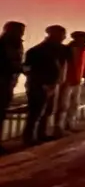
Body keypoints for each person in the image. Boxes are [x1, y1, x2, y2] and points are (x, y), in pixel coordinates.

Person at [23, 25, 68, 145]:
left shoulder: (61, 49)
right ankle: (30, 137)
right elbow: (27, 68)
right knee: (36, 112)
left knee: (47, 110)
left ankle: (40, 134)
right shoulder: (37, 51)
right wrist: (40, 82)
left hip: (53, 84)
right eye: (62, 34)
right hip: (39, 85)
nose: (64, 37)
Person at [54, 30, 85, 135]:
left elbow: (84, 65)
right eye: (84, 39)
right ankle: (59, 127)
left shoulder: (84, 49)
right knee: (63, 105)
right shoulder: (67, 50)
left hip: (77, 81)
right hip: (67, 81)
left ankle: (70, 124)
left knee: (74, 104)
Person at [0, 21, 25, 154]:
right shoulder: (6, 44)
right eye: (20, 31)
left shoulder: (12, 44)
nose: (21, 34)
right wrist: (22, 69)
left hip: (8, 81)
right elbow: (11, 62)